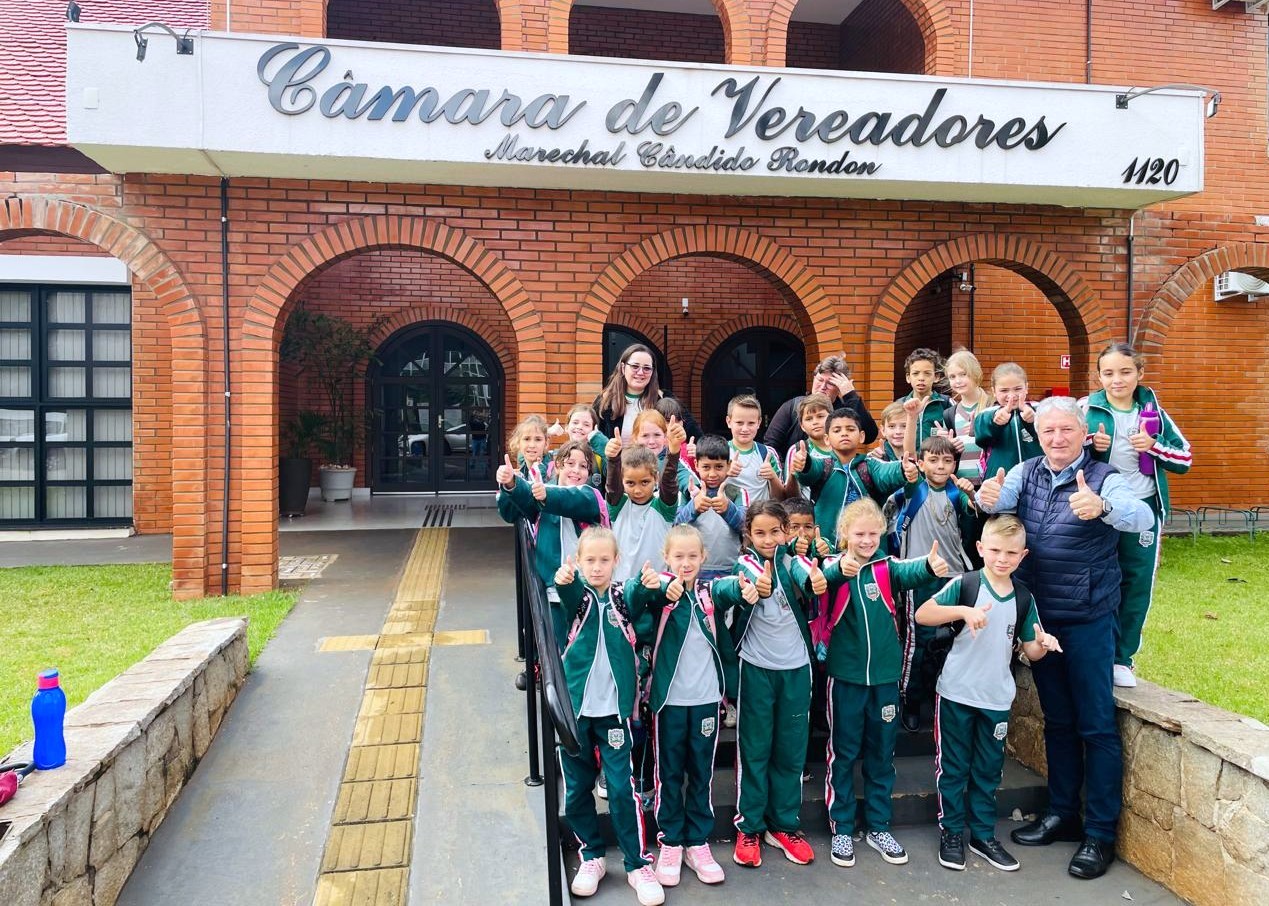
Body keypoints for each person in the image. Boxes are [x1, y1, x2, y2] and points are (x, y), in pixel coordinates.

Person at [976, 396, 1153, 881]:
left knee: (1095, 726)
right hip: (1041, 619)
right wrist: (984, 499)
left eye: (1066, 431)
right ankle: (1061, 812)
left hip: (1089, 619)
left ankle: (1099, 834)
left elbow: (1144, 518)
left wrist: (1104, 507)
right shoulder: (1025, 471)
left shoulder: (1103, 477)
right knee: (1057, 721)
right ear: (1040, 434)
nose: (1057, 438)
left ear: (1082, 433)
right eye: (1049, 430)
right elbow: (996, 505)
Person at [915, 515, 1063, 873]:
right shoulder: (965, 584)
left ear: (1022, 555)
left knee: (986, 770)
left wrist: (1044, 643)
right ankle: (951, 833)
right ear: (980, 549)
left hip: (996, 699)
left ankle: (982, 835)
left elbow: (1030, 650)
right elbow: (923, 614)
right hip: (956, 693)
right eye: (995, 550)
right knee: (953, 768)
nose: (1002, 558)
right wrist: (963, 611)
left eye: (1011, 553)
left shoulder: (1024, 598)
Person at [814, 498, 950, 870]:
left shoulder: (885, 569)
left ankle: (878, 825)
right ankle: (841, 826)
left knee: (881, 755)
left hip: (886, 679)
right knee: (843, 753)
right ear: (844, 535)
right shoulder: (834, 567)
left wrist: (929, 566)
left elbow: (909, 572)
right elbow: (826, 577)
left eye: (874, 533)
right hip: (846, 678)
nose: (867, 540)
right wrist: (841, 565)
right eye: (859, 534)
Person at [711, 500, 827, 869]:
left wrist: (820, 576)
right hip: (756, 670)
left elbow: (808, 574)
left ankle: (784, 826)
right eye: (759, 533)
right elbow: (732, 585)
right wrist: (749, 589)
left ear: (787, 532)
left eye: (775, 531)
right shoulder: (746, 564)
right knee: (755, 750)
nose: (768, 539)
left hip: (796, 670)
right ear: (748, 534)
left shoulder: (796, 560)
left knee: (791, 751)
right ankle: (749, 827)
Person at [554, 528, 664, 905]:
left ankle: (637, 863)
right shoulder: (577, 596)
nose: (597, 567)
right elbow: (566, 594)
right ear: (579, 562)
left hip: (615, 714)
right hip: (576, 713)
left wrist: (650, 583)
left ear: (616, 561)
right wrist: (562, 579)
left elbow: (640, 592)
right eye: (590, 561)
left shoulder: (621, 595)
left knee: (621, 787)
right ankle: (592, 855)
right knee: (576, 787)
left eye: (604, 560)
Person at [1081, 343, 1192, 687]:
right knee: (1095, 581)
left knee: (1136, 582)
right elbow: (1060, 452)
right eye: (1109, 373)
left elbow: (1185, 459)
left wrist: (1154, 447)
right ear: (1099, 376)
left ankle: (1121, 658)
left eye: (1126, 372)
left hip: (1143, 508)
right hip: (1099, 510)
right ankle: (1093, 652)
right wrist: (1089, 445)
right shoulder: (1087, 408)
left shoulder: (1153, 411)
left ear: (1139, 373)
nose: (1117, 380)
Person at [644, 525, 741, 888]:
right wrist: (654, 587)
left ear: (703, 559)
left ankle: (697, 841)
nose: (685, 563)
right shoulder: (661, 595)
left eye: (692, 556)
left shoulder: (708, 594)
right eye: (678, 556)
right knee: (669, 773)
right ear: (667, 558)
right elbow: (641, 600)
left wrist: (744, 588)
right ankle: (670, 840)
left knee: (701, 773)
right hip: (669, 703)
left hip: (704, 703)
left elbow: (728, 588)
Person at [893, 436, 978, 733]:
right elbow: (906, 459)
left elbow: (971, 526)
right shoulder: (915, 488)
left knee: (950, 640)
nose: (940, 466)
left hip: (954, 576)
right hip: (920, 575)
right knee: (918, 641)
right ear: (921, 462)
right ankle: (911, 699)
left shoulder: (958, 492)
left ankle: (941, 698)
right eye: (933, 460)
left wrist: (974, 499)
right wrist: (912, 418)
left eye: (947, 461)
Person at [497, 440, 607, 647]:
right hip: (552, 590)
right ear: (557, 466)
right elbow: (513, 507)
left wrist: (544, 493)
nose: (576, 470)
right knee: (554, 647)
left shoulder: (591, 496)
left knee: (585, 646)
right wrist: (510, 483)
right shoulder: (541, 493)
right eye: (570, 464)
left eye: (583, 466)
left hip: (588, 588)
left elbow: (569, 500)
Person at [791, 409, 906, 549]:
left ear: (861, 436)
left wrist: (905, 468)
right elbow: (810, 470)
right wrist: (804, 463)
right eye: (837, 430)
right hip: (828, 552)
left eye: (850, 429)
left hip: (871, 553)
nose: (844, 433)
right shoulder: (824, 466)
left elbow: (889, 472)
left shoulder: (870, 465)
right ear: (827, 439)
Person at [763, 355, 878, 453]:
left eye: (830, 383)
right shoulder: (793, 406)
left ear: (839, 387)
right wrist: (785, 470)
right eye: (820, 380)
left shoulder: (844, 410)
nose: (823, 387)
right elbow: (770, 443)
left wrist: (850, 395)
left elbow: (869, 436)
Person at [605, 439, 682, 584]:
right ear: (622, 481)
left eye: (645, 482)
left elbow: (669, 482)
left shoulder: (663, 508)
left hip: (656, 586)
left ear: (656, 479)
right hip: (622, 587)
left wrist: (673, 453)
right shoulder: (618, 505)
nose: (638, 490)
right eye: (630, 483)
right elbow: (612, 486)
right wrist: (613, 459)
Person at [674, 435, 745, 581]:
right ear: (696, 464)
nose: (712, 474)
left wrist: (728, 509)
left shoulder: (737, 492)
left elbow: (746, 527)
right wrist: (694, 507)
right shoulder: (688, 493)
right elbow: (675, 527)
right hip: (694, 570)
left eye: (719, 467)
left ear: (729, 465)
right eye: (706, 467)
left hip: (730, 569)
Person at [595, 343, 700, 442]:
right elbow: (588, 437)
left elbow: (696, 436)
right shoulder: (605, 400)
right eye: (635, 366)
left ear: (652, 372)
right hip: (614, 461)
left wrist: (681, 436)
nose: (640, 373)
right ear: (623, 368)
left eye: (646, 368)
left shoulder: (664, 398)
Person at [973, 362, 1041, 477]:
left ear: (1027, 388)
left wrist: (1034, 422)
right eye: (1004, 390)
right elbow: (981, 439)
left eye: (1017, 389)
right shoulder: (986, 414)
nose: (1011, 395)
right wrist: (995, 423)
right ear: (994, 391)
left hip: (1037, 480)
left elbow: (1051, 438)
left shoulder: (1040, 410)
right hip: (999, 480)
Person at [941, 350, 991, 486]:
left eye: (963, 374)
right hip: (961, 483)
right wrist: (947, 445)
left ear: (975, 373)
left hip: (990, 482)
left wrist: (981, 429)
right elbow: (948, 456)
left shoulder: (992, 406)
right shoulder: (949, 414)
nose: (957, 381)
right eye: (952, 377)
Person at [725, 395, 784, 505]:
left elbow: (780, 498)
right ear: (729, 422)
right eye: (739, 423)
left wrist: (772, 478)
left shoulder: (767, 453)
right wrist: (725, 473)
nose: (745, 429)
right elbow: (704, 488)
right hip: (726, 520)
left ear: (759, 423)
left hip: (760, 519)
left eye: (751, 423)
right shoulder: (719, 452)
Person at [781, 393, 833, 499]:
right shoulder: (797, 450)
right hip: (807, 512)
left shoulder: (841, 447)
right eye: (809, 419)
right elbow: (790, 496)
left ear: (832, 418)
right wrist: (793, 473)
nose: (815, 422)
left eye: (820, 416)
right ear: (802, 426)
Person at [899, 348, 949, 450]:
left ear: (936, 377)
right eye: (916, 373)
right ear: (908, 377)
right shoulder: (899, 405)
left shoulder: (946, 403)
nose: (921, 378)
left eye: (927, 373)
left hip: (936, 462)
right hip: (907, 463)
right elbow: (890, 436)